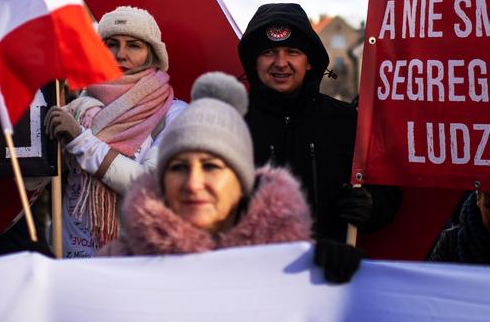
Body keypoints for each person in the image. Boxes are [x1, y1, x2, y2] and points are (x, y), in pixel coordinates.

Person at [102, 72, 363, 283]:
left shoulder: (295, 261)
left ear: (240, 179)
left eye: (212, 167)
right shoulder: (120, 260)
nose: (194, 184)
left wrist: (335, 280)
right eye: (179, 167)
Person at [238, 3, 399, 241]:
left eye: (292, 51)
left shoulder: (347, 122)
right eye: (269, 52)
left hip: (326, 271)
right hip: (248, 271)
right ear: (254, 61)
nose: (281, 63)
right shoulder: (230, 124)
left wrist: (371, 208)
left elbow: (388, 193)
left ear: (309, 61)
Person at [44, 6, 187, 257]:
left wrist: (80, 140)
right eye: (111, 44)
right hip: (69, 257)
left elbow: (152, 185)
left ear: (152, 53)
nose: (121, 54)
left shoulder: (174, 114)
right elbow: (47, 179)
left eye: (134, 45)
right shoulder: (77, 105)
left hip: (134, 260)